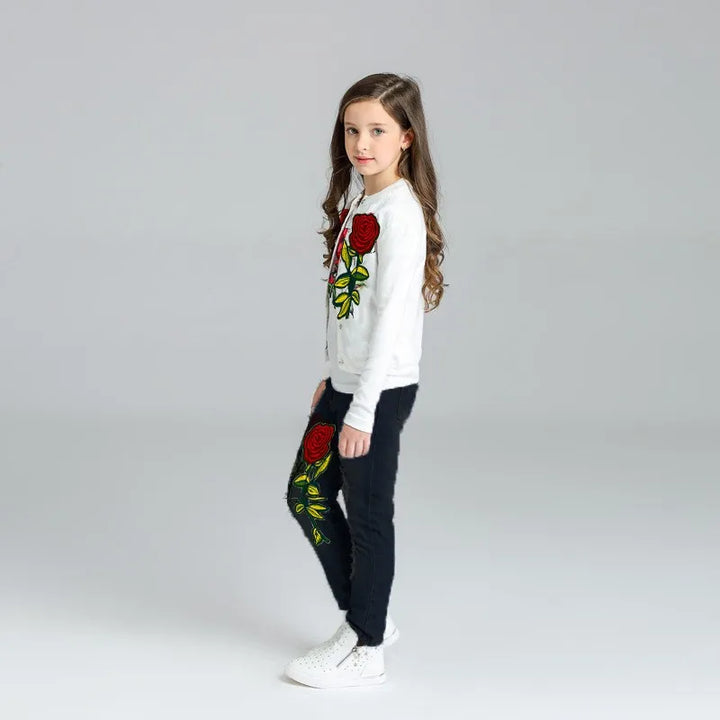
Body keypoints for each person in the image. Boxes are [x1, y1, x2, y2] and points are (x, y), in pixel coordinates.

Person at [283, 72, 446, 689]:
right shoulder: (359, 203)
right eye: (352, 130)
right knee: (306, 493)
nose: (362, 143)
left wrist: (361, 408)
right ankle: (366, 616)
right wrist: (331, 376)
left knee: (369, 514)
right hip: (345, 385)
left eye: (378, 130)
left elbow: (392, 318)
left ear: (406, 138)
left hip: (379, 393)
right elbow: (346, 307)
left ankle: (368, 646)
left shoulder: (400, 214)